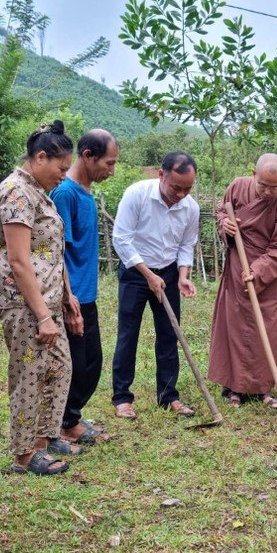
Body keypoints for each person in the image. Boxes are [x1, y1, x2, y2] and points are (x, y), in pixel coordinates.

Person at [0, 121, 83, 476]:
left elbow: (52, 252)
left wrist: (67, 298)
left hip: (49, 300)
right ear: (40, 157)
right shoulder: (16, 193)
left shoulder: (38, 192)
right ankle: (25, 455)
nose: (63, 175)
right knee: (29, 374)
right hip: (26, 304)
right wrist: (42, 314)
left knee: (59, 368)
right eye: (60, 168)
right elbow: (18, 259)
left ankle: (45, 437)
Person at [111, 151, 200, 419]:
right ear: (161, 175)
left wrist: (183, 275)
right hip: (136, 272)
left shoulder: (190, 207)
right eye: (176, 187)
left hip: (169, 274)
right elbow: (122, 239)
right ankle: (122, 398)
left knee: (169, 334)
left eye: (187, 188)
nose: (181, 194)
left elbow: (186, 244)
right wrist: (147, 274)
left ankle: (168, 395)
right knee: (129, 334)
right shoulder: (136, 195)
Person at [208, 154, 277, 408]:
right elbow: (222, 209)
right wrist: (226, 223)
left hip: (267, 276)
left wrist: (258, 271)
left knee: (264, 331)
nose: (268, 192)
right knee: (234, 326)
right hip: (238, 267)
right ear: (253, 173)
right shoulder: (237, 186)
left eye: (275, 187)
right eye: (263, 185)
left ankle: (262, 389)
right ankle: (233, 387)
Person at [50, 130, 118, 444]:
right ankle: (65, 424)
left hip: (87, 294)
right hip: (72, 295)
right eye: (109, 162)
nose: (112, 170)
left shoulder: (86, 192)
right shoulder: (65, 194)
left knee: (92, 363)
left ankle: (72, 418)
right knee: (76, 365)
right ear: (87, 155)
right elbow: (56, 251)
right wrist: (67, 299)